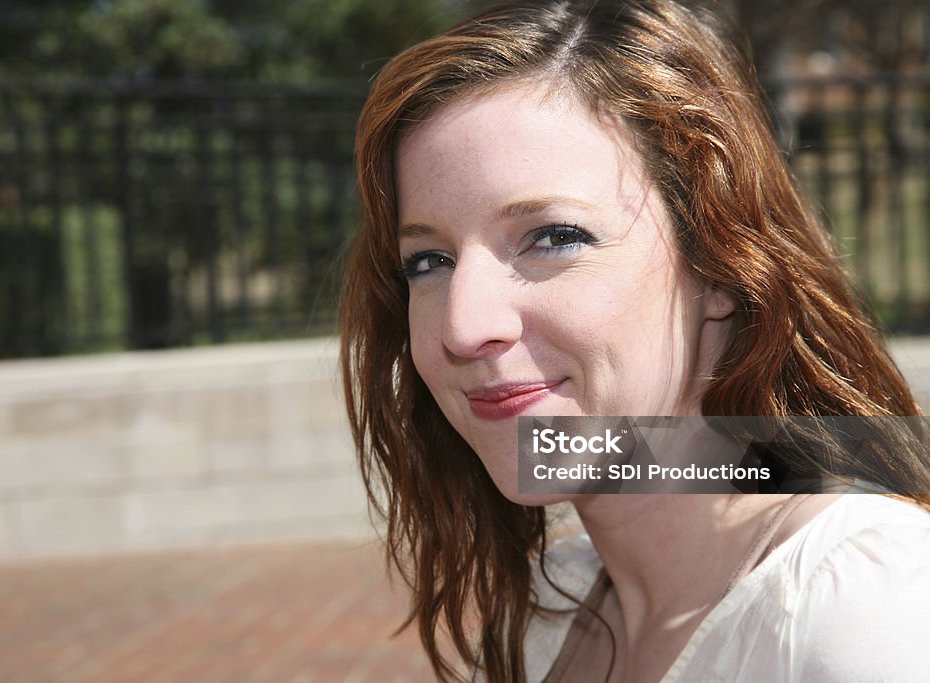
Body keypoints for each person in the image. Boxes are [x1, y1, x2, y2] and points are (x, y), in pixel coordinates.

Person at [339, 1, 930, 681]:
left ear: (718, 263)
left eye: (554, 236)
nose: (463, 326)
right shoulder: (545, 614)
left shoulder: (859, 613)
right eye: (429, 261)